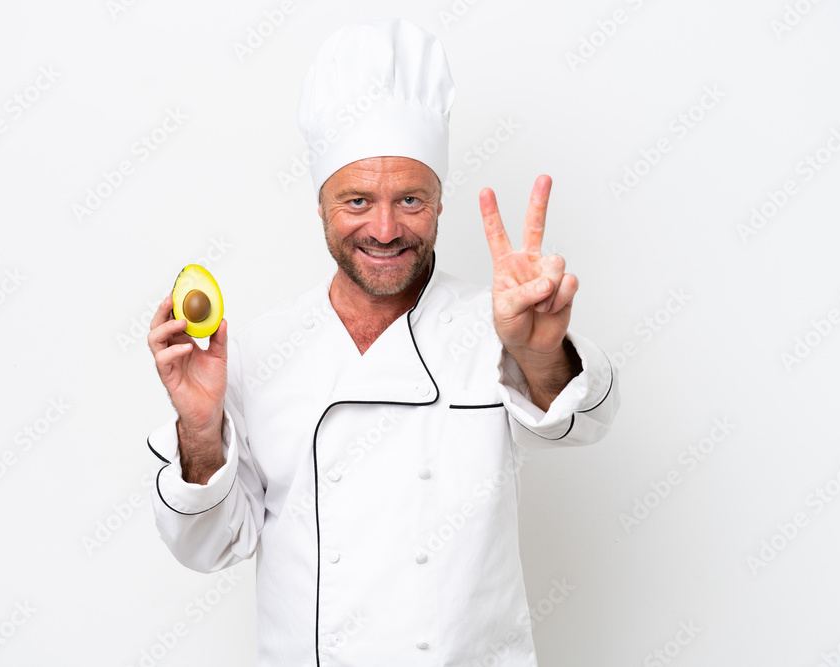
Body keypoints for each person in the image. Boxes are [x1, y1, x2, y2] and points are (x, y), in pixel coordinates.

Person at [146, 18, 619, 666]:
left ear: (441, 202)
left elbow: (587, 423)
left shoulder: (495, 325)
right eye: (358, 200)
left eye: (411, 199)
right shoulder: (259, 353)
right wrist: (200, 430)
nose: (386, 227)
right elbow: (209, 547)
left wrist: (537, 352)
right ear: (319, 204)